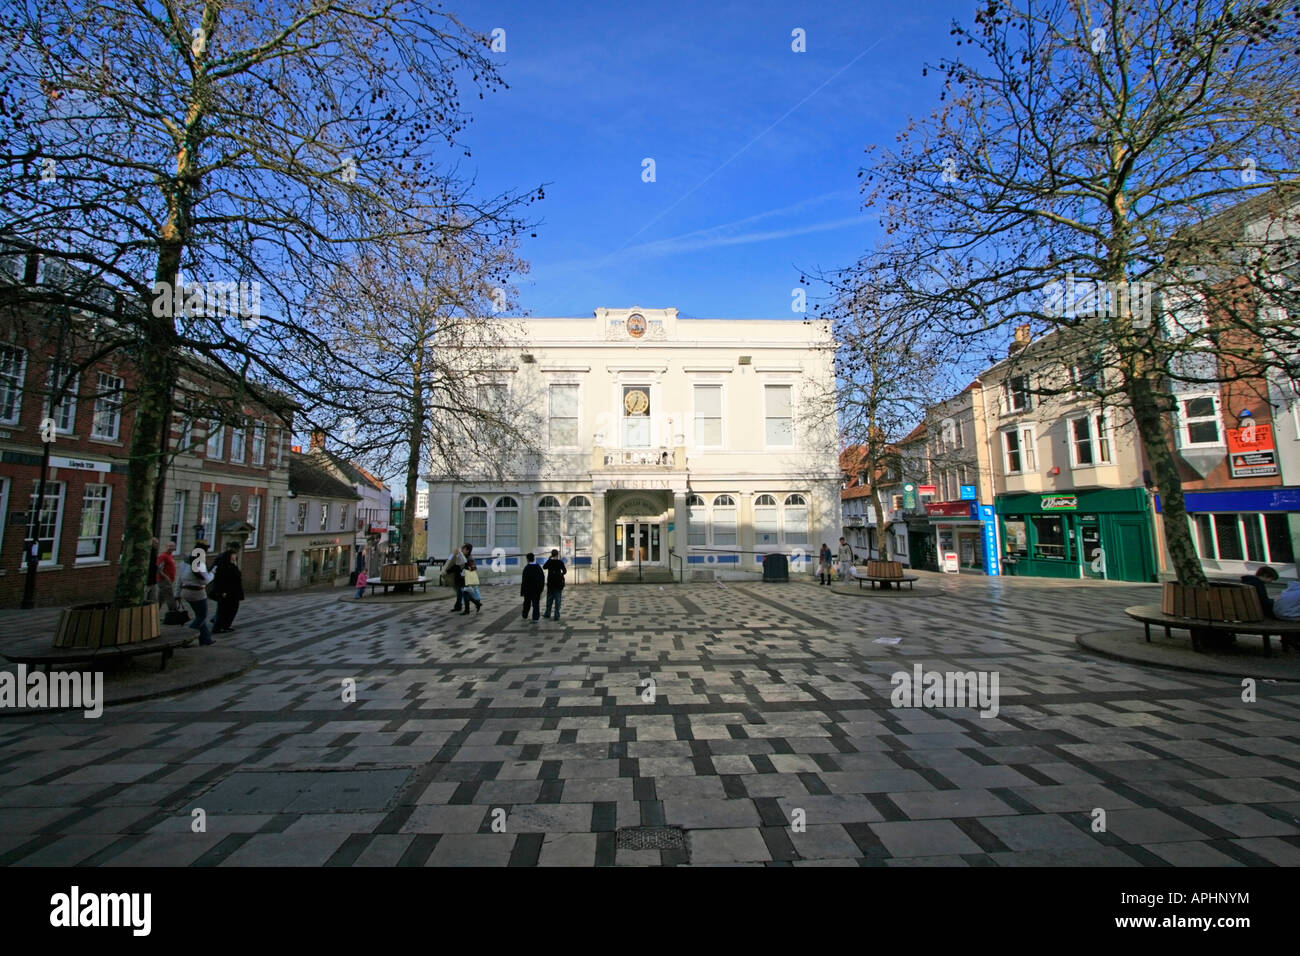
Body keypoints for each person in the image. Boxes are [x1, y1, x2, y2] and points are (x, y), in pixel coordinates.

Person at [179, 542, 215, 646]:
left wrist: (177, 594)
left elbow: (179, 579)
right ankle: (186, 637)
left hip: (185, 591)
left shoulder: (184, 562)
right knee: (201, 617)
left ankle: (206, 639)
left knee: (199, 616)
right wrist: (213, 573)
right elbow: (206, 580)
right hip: (197, 593)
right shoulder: (199, 563)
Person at [211, 543, 245, 633]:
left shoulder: (233, 565)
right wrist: (222, 591)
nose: (235, 557)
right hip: (226, 592)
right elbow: (220, 580)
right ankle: (218, 627)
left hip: (234, 592)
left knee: (233, 609)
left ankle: (226, 625)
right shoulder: (224, 566)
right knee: (223, 610)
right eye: (233, 556)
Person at [446, 543, 471, 612]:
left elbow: (457, 567)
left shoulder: (467, 558)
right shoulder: (460, 556)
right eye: (462, 548)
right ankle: (458, 607)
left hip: (464, 579)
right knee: (460, 593)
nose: (462, 550)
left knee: (465, 594)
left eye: (463, 549)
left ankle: (467, 609)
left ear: (467, 550)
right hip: (459, 578)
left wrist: (448, 571)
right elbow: (450, 559)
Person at [542, 549, 566, 621]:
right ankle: (556, 615)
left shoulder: (549, 562)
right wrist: (560, 575)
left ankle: (547, 613)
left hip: (550, 584)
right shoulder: (560, 562)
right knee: (558, 600)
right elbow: (565, 571)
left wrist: (549, 559)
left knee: (549, 600)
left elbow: (544, 567)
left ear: (551, 554)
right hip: (558, 584)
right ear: (557, 554)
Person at [521, 553, 545, 622]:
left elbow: (524, 581)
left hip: (528, 590)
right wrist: (541, 589)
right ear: (534, 558)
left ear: (527, 559)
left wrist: (522, 591)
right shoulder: (538, 567)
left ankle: (525, 615)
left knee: (526, 603)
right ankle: (535, 618)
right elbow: (542, 579)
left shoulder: (526, 568)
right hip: (536, 590)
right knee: (536, 604)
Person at [156, 541, 178, 610]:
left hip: (168, 580)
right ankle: (173, 614)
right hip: (164, 581)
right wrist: (166, 577)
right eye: (169, 546)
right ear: (166, 547)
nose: (170, 548)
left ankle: (155, 613)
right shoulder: (163, 556)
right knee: (170, 597)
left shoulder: (170, 556)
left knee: (160, 598)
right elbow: (158, 569)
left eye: (172, 546)